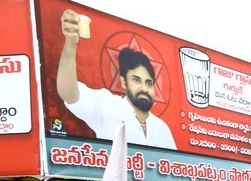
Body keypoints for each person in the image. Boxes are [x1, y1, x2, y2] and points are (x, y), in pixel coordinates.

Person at [57, 9, 177, 149]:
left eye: (148, 83)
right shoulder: (108, 106)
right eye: (137, 80)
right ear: (123, 82)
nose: (144, 88)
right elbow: (69, 94)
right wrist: (71, 44)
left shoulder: (163, 129)